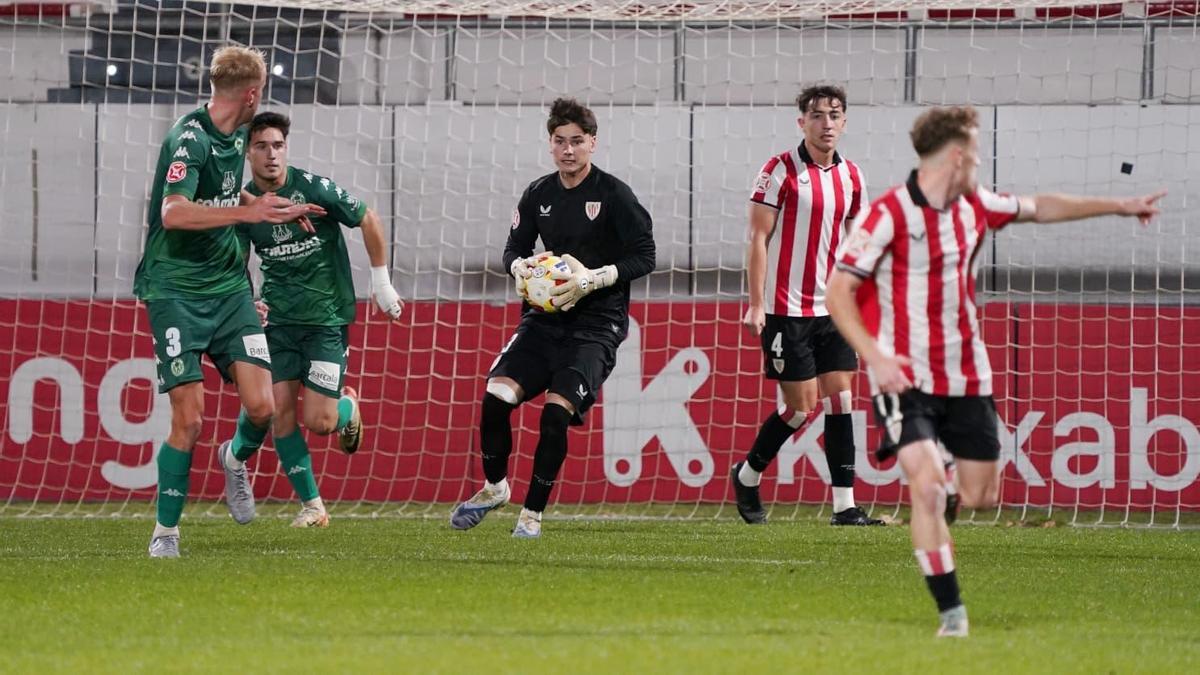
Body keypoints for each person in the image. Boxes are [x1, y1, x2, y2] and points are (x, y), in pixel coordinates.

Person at [826, 105, 1165, 637]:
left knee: (983, 497)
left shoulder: (976, 206)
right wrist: (875, 356)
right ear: (958, 156)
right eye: (978, 152)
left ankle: (956, 493)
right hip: (904, 378)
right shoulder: (886, 214)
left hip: (967, 376)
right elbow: (838, 291)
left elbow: (1041, 208)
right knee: (928, 489)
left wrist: (1118, 205)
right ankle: (951, 614)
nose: (981, 162)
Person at [134, 45, 324, 558]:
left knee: (262, 407)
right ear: (252, 94)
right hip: (174, 291)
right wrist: (249, 215)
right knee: (189, 420)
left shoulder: (239, 133)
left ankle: (234, 459)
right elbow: (174, 212)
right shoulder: (188, 139)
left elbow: (223, 197)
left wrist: (268, 207)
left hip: (230, 290)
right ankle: (166, 533)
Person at [449, 97, 656, 538]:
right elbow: (512, 249)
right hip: (543, 321)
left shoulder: (614, 195)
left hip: (597, 326)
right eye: (560, 142)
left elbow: (646, 256)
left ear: (592, 144)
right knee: (494, 399)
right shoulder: (538, 193)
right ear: (550, 145)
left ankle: (532, 514)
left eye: (577, 142)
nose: (568, 150)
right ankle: (494, 488)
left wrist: (593, 279)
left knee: (555, 415)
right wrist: (519, 268)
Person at [237, 111, 405, 528]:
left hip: (327, 319)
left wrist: (382, 282)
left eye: (277, 145)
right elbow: (236, 260)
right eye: (261, 146)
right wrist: (246, 301)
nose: (271, 154)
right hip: (277, 322)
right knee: (281, 413)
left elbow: (367, 218)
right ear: (248, 153)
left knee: (321, 422)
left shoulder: (314, 188)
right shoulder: (245, 206)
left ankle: (347, 407)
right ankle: (313, 506)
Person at [730, 84, 882, 526]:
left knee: (842, 401)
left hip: (832, 311)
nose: (827, 123)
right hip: (785, 309)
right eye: (817, 115)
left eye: (835, 115)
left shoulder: (853, 176)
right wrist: (757, 304)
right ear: (802, 122)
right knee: (800, 408)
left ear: (845, 121)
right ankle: (748, 472)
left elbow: (858, 245)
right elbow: (759, 238)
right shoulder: (779, 170)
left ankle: (845, 507)